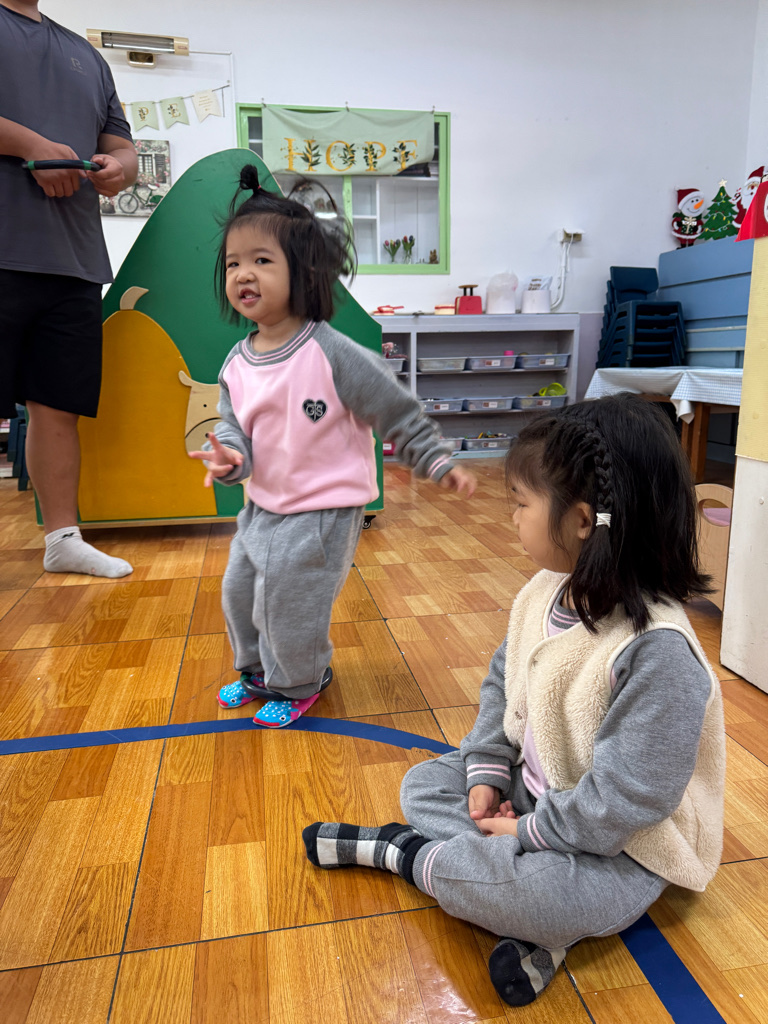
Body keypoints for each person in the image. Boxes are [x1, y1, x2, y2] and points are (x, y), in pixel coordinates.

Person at [302, 393, 726, 1007]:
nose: (512, 517)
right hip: (534, 794)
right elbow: (504, 686)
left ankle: (406, 854)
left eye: (522, 504)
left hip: (620, 846)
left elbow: (625, 803)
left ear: (582, 521)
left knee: (549, 896)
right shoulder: (543, 591)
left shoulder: (657, 652)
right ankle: (520, 914)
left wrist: (527, 831)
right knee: (424, 785)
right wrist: (487, 772)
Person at [189, 164, 476, 728]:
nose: (243, 273)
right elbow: (234, 427)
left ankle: (299, 681)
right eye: (233, 263)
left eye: (261, 260)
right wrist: (230, 457)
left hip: (323, 509)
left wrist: (435, 458)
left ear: (305, 272)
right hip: (264, 505)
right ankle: (258, 672)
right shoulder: (237, 362)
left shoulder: (331, 352)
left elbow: (393, 408)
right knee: (240, 590)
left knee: (289, 599)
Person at [0, 0, 138, 577]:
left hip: (74, 260)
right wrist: (29, 145)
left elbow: (124, 147)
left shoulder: (87, 55)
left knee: (58, 406)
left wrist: (121, 168)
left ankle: (62, 539)